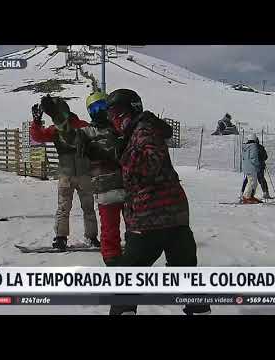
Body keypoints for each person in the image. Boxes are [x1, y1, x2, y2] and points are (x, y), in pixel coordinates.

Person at [105, 89, 211, 315]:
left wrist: (124, 152)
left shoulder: (143, 130)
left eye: (117, 113)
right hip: (172, 216)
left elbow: (150, 163)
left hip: (150, 218)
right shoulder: (141, 130)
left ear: (130, 110)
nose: (114, 120)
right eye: (111, 115)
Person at [30, 95, 99, 250]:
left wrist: (36, 122)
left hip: (68, 174)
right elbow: (38, 136)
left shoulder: (59, 129)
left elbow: (37, 136)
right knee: (87, 208)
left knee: (64, 207)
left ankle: (62, 237)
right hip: (81, 174)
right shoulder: (81, 125)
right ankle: (91, 237)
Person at [74, 92, 125, 266]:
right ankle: (113, 264)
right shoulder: (87, 132)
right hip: (106, 189)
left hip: (129, 186)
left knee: (135, 229)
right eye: (94, 108)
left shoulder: (118, 128)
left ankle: (134, 261)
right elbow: (69, 133)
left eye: (102, 106)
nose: (99, 111)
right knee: (110, 230)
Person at [242, 133, 263, 204]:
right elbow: (253, 158)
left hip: (246, 167)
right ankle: (246, 197)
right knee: (252, 182)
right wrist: (258, 165)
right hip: (252, 167)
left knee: (253, 183)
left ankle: (250, 196)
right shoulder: (253, 146)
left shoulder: (246, 146)